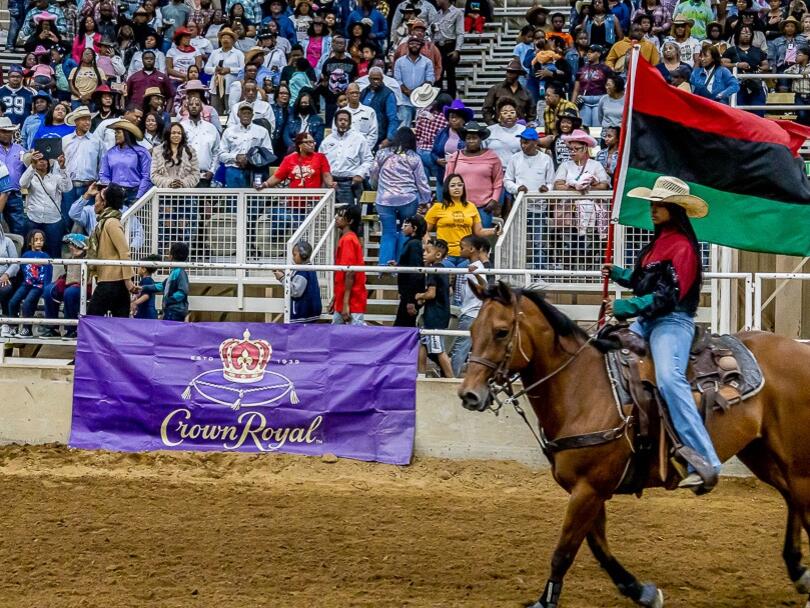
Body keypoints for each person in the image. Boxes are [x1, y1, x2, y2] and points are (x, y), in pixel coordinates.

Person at [603, 175, 720, 493]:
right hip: (647, 320)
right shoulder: (656, 244)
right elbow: (644, 281)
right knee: (603, 352)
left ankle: (705, 461)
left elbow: (669, 296)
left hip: (672, 321)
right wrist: (620, 274)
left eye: (660, 204)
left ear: (675, 209)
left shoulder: (682, 247)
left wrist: (627, 307)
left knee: (669, 379)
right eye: (652, 204)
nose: (653, 209)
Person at [370, 127, 432, 265]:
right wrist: (426, 200)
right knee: (406, 232)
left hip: (384, 199)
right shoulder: (414, 157)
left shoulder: (382, 153)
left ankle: (384, 266)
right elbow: (421, 181)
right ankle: (402, 265)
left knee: (388, 233)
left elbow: (373, 173)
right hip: (408, 199)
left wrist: (375, 186)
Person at [552, 129, 611, 267]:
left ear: (585, 148)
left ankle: (587, 272)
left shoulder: (595, 165)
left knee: (588, 244)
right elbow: (558, 184)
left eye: (576, 149)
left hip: (590, 212)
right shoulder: (565, 165)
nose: (573, 152)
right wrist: (574, 188)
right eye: (570, 149)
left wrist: (589, 187)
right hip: (568, 212)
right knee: (568, 244)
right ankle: (568, 273)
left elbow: (604, 185)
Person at [424, 173, 500, 272]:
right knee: (444, 279)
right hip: (445, 255)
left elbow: (478, 231)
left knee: (467, 279)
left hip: (466, 255)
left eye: (460, 185)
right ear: (447, 188)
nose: (457, 188)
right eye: (453, 185)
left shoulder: (471, 206)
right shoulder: (438, 207)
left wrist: (494, 230)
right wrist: (429, 245)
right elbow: (423, 229)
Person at [504, 126, 555, 269]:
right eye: (522, 142)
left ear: (535, 142)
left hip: (539, 208)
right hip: (519, 206)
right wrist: (517, 188)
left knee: (539, 242)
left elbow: (551, 182)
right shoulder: (515, 158)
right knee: (518, 240)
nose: (523, 145)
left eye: (526, 142)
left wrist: (547, 189)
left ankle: (539, 272)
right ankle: (517, 271)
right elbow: (507, 180)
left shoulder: (546, 159)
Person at [86, 183, 137, 317]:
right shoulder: (105, 222)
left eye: (96, 201)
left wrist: (128, 280)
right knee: (120, 321)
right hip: (110, 279)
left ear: (104, 203)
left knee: (92, 318)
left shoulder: (111, 222)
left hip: (112, 280)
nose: (94, 205)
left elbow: (124, 251)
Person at [444, 121, 504, 228]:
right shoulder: (456, 156)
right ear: (464, 140)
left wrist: (494, 200)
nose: (471, 141)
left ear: (480, 139)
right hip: (460, 206)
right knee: (461, 236)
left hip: (484, 206)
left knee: (481, 236)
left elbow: (498, 181)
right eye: (468, 138)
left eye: (475, 138)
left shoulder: (492, 156)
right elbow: (447, 179)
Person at [448, 234, 488, 377]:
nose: (460, 250)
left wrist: (476, 274)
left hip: (472, 313)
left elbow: (484, 286)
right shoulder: (470, 267)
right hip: (469, 311)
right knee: (463, 346)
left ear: (471, 249)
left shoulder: (477, 267)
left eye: (462, 247)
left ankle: (452, 377)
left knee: (460, 347)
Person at [20, 150, 71, 258]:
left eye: (44, 159)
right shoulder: (31, 177)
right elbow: (22, 184)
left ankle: (54, 269)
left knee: (54, 251)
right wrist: (32, 166)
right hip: (33, 218)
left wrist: (62, 168)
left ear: (48, 162)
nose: (42, 162)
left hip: (53, 220)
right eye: (39, 160)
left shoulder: (55, 177)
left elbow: (67, 188)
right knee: (29, 250)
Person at [415, 238, 453, 377]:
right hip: (437, 312)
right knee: (423, 344)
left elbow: (431, 294)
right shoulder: (443, 269)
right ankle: (421, 376)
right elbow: (449, 291)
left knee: (438, 349)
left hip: (435, 315)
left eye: (428, 251)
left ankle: (451, 379)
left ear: (438, 255)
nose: (424, 254)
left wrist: (420, 295)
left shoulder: (433, 270)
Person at [62, 105, 104, 230]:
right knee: (67, 218)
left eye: (89, 119)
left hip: (88, 186)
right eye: (84, 119)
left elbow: (102, 165)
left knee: (84, 220)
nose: (87, 122)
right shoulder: (65, 140)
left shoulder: (97, 141)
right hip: (68, 186)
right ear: (76, 122)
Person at [320, 109, 372, 205]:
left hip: (349, 182)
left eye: (346, 120)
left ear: (350, 122)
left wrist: (360, 174)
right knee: (327, 211)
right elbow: (320, 160)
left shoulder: (359, 139)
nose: (343, 122)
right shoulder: (327, 140)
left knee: (348, 212)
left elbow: (368, 160)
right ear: (335, 122)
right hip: (329, 182)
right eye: (340, 120)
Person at [7, 228, 51, 337]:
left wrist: (45, 289)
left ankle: (27, 329)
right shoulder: (25, 255)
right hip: (26, 284)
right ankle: (13, 327)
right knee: (13, 302)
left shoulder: (46, 256)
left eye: (41, 240)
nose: (39, 242)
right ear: (30, 242)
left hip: (39, 286)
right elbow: (23, 271)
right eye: (36, 240)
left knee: (27, 303)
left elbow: (48, 274)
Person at [41, 232, 87, 337]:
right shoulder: (70, 257)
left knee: (70, 293)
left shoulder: (90, 255)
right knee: (48, 290)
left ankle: (71, 329)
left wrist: (83, 251)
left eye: (74, 244)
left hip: (85, 284)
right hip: (69, 282)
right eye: (70, 244)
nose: (71, 247)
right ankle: (52, 328)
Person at [99, 120, 152, 206]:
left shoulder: (142, 152)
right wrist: (111, 189)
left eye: (118, 132)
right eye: (115, 133)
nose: (115, 135)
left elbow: (146, 175)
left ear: (127, 134)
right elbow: (103, 174)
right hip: (115, 193)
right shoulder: (110, 153)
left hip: (135, 192)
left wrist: (139, 196)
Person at [219, 102, 272, 187]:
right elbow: (221, 154)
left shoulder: (262, 131)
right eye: (243, 113)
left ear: (252, 115)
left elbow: (269, 153)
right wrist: (236, 157)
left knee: (255, 195)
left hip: (256, 171)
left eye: (248, 113)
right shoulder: (229, 132)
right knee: (233, 195)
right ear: (238, 115)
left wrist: (251, 159)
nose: (246, 115)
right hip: (233, 170)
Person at [331, 204, 366, 325]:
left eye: (340, 216)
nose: (336, 217)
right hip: (344, 298)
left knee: (353, 334)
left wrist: (345, 303)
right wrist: (336, 298)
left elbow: (349, 272)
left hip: (352, 300)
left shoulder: (348, 240)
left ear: (350, 221)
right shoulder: (348, 238)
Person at [138, 241, 190, 321]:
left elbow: (182, 292)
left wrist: (169, 300)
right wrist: (142, 288)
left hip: (175, 311)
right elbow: (162, 286)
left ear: (171, 256)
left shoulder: (179, 273)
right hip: (171, 310)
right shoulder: (174, 272)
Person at [723, 25, 769, 114]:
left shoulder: (758, 50)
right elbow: (723, 64)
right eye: (743, 33)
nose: (746, 35)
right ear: (738, 35)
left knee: (758, 112)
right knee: (739, 113)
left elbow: (766, 65)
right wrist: (737, 65)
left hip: (756, 85)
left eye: (748, 33)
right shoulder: (731, 50)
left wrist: (760, 69)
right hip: (738, 85)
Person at [274, 239, 322, 323]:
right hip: (310, 313)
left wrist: (282, 278)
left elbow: (295, 291)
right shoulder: (309, 269)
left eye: (295, 255)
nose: (293, 257)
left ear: (303, 255)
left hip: (302, 314)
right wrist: (284, 274)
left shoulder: (303, 271)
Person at [393, 215, 426, 328]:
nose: (403, 227)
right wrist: (398, 265)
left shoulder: (414, 244)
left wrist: (410, 300)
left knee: (402, 327)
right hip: (408, 294)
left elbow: (415, 272)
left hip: (410, 295)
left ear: (414, 228)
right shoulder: (412, 243)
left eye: (406, 225)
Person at [180, 96, 220, 187]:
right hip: (185, 176)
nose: (194, 106)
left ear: (202, 108)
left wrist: (212, 171)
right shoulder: (181, 127)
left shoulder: (211, 128)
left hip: (205, 176)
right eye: (191, 104)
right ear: (187, 107)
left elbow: (217, 152)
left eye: (197, 104)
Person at [481, 58, 535, 124]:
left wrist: (525, 125)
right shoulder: (495, 89)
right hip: (499, 126)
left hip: (519, 127)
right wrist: (492, 124)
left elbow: (531, 113)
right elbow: (486, 109)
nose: (508, 75)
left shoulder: (526, 92)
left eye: (512, 72)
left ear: (518, 74)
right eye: (508, 72)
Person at [204, 28, 245, 112]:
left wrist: (229, 70)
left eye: (228, 38)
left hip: (231, 87)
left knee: (231, 110)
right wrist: (215, 69)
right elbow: (206, 69)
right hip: (216, 86)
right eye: (223, 38)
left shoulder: (238, 53)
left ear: (233, 40)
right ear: (220, 40)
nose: (225, 40)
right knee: (215, 110)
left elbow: (243, 69)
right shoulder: (214, 52)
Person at [571, 44, 613, 127]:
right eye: (588, 52)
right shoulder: (581, 70)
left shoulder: (606, 69)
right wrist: (572, 106)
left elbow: (610, 86)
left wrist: (610, 102)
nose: (588, 54)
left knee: (597, 127)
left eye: (592, 52)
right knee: (584, 126)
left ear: (599, 54)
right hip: (584, 100)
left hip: (600, 100)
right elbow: (576, 90)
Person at [0, 118, 28, 236]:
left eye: (9, 131)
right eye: (3, 131)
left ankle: (17, 247)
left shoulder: (21, 150)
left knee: (18, 227)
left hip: (14, 193)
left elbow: (28, 170)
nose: (7, 134)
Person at [359, 66, 400, 147]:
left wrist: (389, 138)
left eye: (378, 79)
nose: (376, 81)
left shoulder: (388, 94)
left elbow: (393, 118)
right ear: (369, 79)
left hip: (380, 134)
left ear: (382, 78)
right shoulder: (364, 91)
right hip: (364, 134)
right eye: (373, 79)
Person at [150, 122, 200, 189]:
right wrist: (169, 183)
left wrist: (182, 183)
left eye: (179, 133)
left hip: (185, 192)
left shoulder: (190, 151)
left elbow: (195, 174)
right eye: (173, 133)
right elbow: (154, 175)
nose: (176, 135)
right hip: (164, 193)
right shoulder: (157, 151)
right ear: (168, 134)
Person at [433, 0, 465, 97]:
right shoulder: (437, 14)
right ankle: (438, 100)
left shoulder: (457, 12)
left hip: (449, 45)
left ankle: (452, 100)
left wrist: (457, 50)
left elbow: (460, 33)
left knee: (451, 75)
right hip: (438, 46)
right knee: (438, 75)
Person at [484, 98, 525, 172]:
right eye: (505, 113)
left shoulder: (524, 130)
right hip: (493, 171)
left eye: (512, 112)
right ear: (499, 116)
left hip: (518, 171)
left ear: (516, 115)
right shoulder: (489, 131)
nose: (509, 115)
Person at [0, 223, 22, 338]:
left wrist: (6, 274)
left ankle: (6, 321)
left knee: (5, 289)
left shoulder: (7, 242)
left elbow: (15, 263)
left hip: (6, 277)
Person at [341, 82, 378, 149]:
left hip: (364, 149)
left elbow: (373, 134)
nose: (355, 95)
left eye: (357, 93)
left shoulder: (369, 111)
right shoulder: (341, 113)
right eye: (352, 93)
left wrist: (365, 149)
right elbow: (336, 132)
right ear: (347, 95)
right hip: (345, 149)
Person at [131, 254, 161, 318]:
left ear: (144, 269)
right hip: (145, 311)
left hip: (147, 312)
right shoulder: (147, 280)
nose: (137, 269)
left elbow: (146, 296)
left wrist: (135, 303)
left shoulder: (147, 280)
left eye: (139, 267)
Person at [786, 45, 810, 123]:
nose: (796, 56)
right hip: (798, 95)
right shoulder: (795, 67)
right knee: (801, 115)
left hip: (809, 94)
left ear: (806, 56)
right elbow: (786, 72)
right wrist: (797, 74)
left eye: (798, 54)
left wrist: (807, 73)